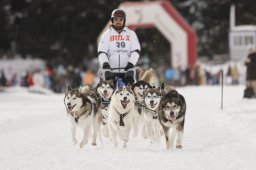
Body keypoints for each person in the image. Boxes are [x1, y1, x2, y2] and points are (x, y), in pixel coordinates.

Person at [98, 9, 141, 85]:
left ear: (124, 21)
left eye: (121, 19)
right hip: (111, 72)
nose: (118, 21)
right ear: (112, 21)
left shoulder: (131, 34)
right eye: (116, 19)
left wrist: (130, 64)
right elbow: (102, 52)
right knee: (105, 93)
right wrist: (106, 66)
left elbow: (136, 51)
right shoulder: (107, 34)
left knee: (132, 93)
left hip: (127, 71)